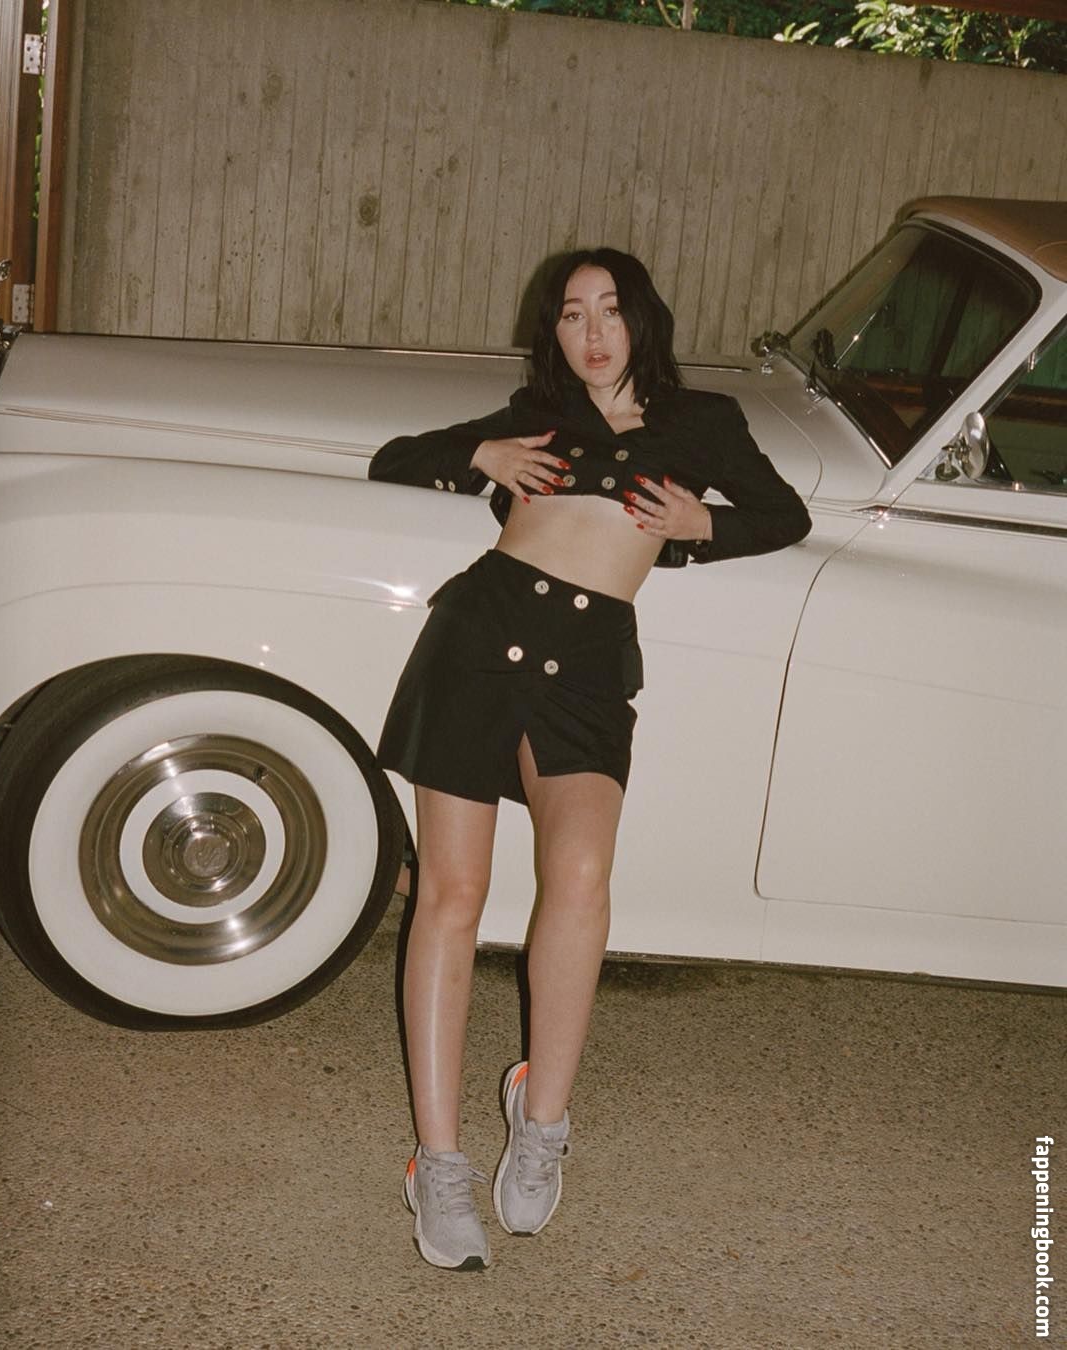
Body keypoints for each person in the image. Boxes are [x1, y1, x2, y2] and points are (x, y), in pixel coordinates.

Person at [368, 248, 811, 1271]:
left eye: (611, 310)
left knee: (579, 876)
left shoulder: (701, 423)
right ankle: (439, 1164)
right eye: (573, 315)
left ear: (642, 319)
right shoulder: (537, 415)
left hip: (587, 671)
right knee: (452, 894)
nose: (594, 332)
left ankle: (542, 1120)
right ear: (554, 332)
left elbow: (784, 515)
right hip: (477, 643)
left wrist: (703, 525)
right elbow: (397, 459)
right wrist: (479, 454)